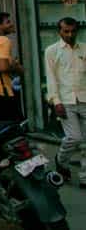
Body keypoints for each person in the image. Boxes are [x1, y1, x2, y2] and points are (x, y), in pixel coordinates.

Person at [45, 17, 86, 187]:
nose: (70, 34)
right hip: (65, 100)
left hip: (84, 98)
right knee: (75, 137)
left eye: (73, 31)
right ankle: (61, 160)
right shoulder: (52, 51)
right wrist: (56, 101)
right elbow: (51, 77)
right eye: (66, 31)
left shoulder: (84, 48)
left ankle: (84, 177)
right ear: (59, 32)